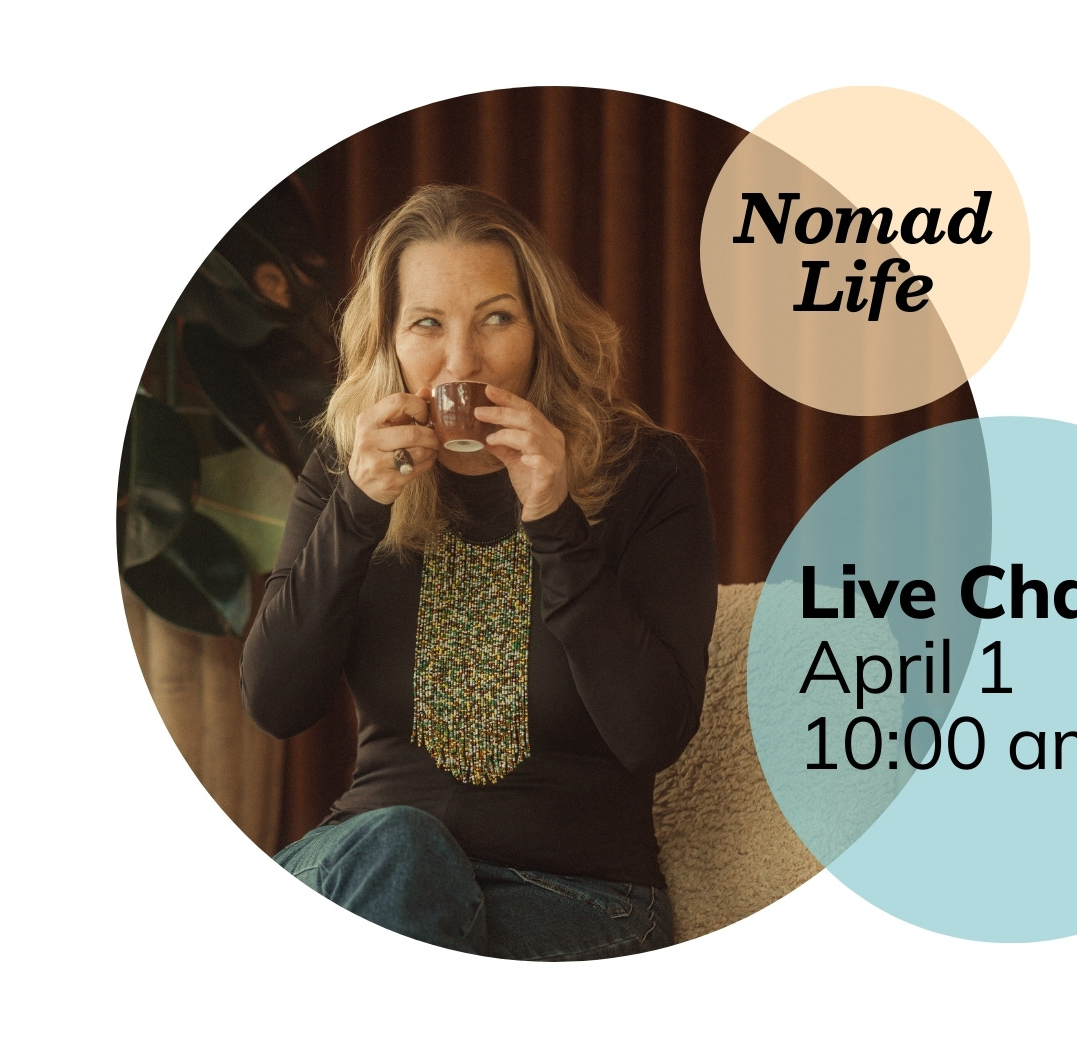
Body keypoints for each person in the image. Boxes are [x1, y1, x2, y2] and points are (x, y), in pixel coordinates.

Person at [240, 184, 719, 961]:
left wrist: (557, 520)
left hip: (571, 894)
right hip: (367, 864)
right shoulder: (348, 465)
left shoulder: (646, 474)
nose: (462, 361)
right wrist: (359, 509)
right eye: (427, 324)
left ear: (541, 329)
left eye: (497, 319)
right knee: (400, 851)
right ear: (388, 340)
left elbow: (652, 734)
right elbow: (276, 701)